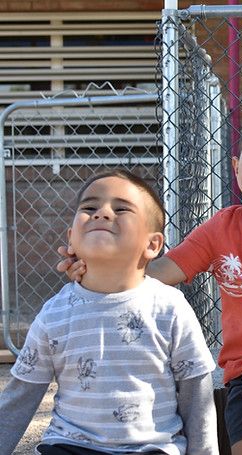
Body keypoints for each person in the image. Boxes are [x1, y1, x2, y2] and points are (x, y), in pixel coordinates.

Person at [59, 102, 242, 455]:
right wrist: (97, 268)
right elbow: (161, 273)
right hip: (241, 373)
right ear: (237, 168)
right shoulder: (222, 227)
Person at [0, 170, 217, 454]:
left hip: (151, 448)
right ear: (71, 239)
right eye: (89, 207)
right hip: (70, 446)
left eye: (121, 208)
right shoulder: (54, 314)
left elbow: (196, 394)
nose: (102, 213)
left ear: (152, 244)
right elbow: (21, 395)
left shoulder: (170, 308)